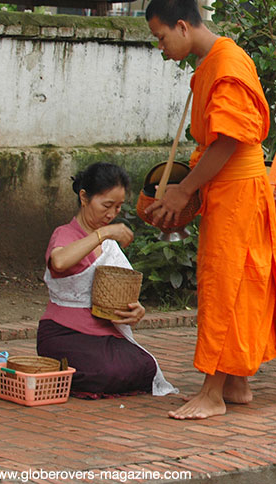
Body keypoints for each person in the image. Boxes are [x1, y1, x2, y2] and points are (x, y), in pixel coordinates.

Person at [145, 0, 276, 419]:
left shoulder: (227, 62)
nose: (161, 46)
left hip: (237, 187)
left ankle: (212, 392)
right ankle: (236, 381)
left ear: (182, 26)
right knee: (240, 280)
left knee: (226, 285)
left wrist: (184, 189)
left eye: (160, 37)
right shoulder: (212, 63)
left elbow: (229, 138)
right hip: (229, 188)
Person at [37, 162, 176, 398]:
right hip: (64, 333)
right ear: (84, 197)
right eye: (106, 205)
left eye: (118, 207)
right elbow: (59, 262)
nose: (111, 215)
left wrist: (136, 310)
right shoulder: (66, 234)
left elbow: (123, 294)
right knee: (105, 370)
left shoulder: (108, 244)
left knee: (145, 366)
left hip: (105, 334)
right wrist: (103, 233)